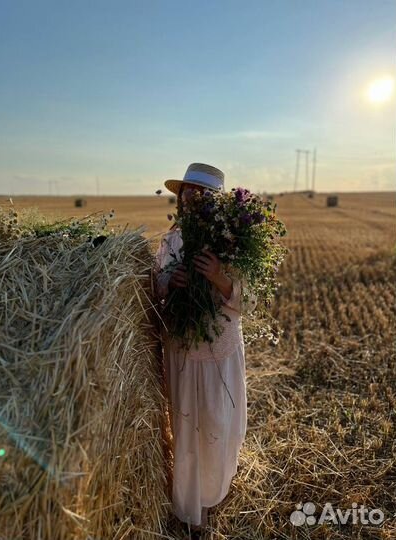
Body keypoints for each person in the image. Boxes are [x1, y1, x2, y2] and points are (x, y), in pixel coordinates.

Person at [153, 163, 256, 539]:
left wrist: (218, 276)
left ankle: (214, 489)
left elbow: (251, 300)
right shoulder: (172, 240)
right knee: (186, 429)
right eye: (187, 193)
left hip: (219, 353)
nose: (191, 199)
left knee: (217, 424)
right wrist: (170, 281)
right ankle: (193, 511)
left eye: (201, 194)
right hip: (182, 351)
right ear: (180, 198)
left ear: (215, 203)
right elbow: (156, 285)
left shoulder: (235, 242)